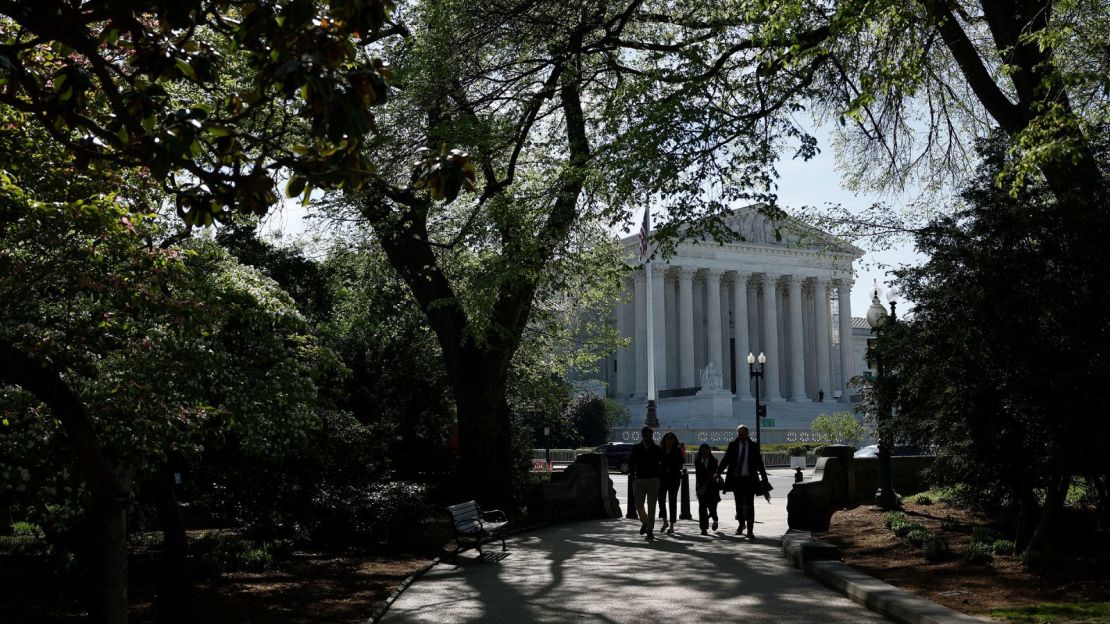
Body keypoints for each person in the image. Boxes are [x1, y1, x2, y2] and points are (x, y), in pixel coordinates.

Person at [715, 424, 768, 539]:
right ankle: (741, 524)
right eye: (739, 434)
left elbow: (760, 464)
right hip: (736, 479)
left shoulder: (754, 446)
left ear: (747, 434)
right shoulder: (733, 445)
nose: (740, 436)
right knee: (738, 505)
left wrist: (765, 480)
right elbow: (726, 460)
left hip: (749, 479)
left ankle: (750, 530)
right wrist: (718, 472)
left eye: (743, 434)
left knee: (750, 505)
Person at [629, 426, 663, 541]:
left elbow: (663, 463)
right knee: (638, 504)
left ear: (652, 436)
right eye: (646, 435)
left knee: (651, 506)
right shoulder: (636, 448)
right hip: (639, 480)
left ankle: (650, 530)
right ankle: (645, 521)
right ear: (642, 436)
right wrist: (632, 475)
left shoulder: (658, 449)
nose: (648, 437)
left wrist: (660, 476)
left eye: (649, 435)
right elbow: (631, 462)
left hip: (653, 480)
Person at [657, 432, 684, 534]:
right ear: (664, 439)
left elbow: (680, 463)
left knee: (672, 501)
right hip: (662, 478)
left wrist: (671, 469)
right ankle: (665, 521)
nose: (669, 440)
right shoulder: (660, 450)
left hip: (674, 478)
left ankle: (672, 525)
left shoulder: (677, 450)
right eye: (667, 438)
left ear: (674, 439)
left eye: (671, 438)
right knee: (661, 500)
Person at [694, 443, 720, 535]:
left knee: (712, 507)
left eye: (706, 449)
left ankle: (715, 520)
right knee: (702, 509)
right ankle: (703, 528)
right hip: (701, 488)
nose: (704, 452)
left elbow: (714, 475)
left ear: (709, 451)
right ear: (700, 451)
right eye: (702, 450)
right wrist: (697, 490)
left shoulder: (714, 461)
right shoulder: (697, 461)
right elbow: (697, 476)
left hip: (712, 487)